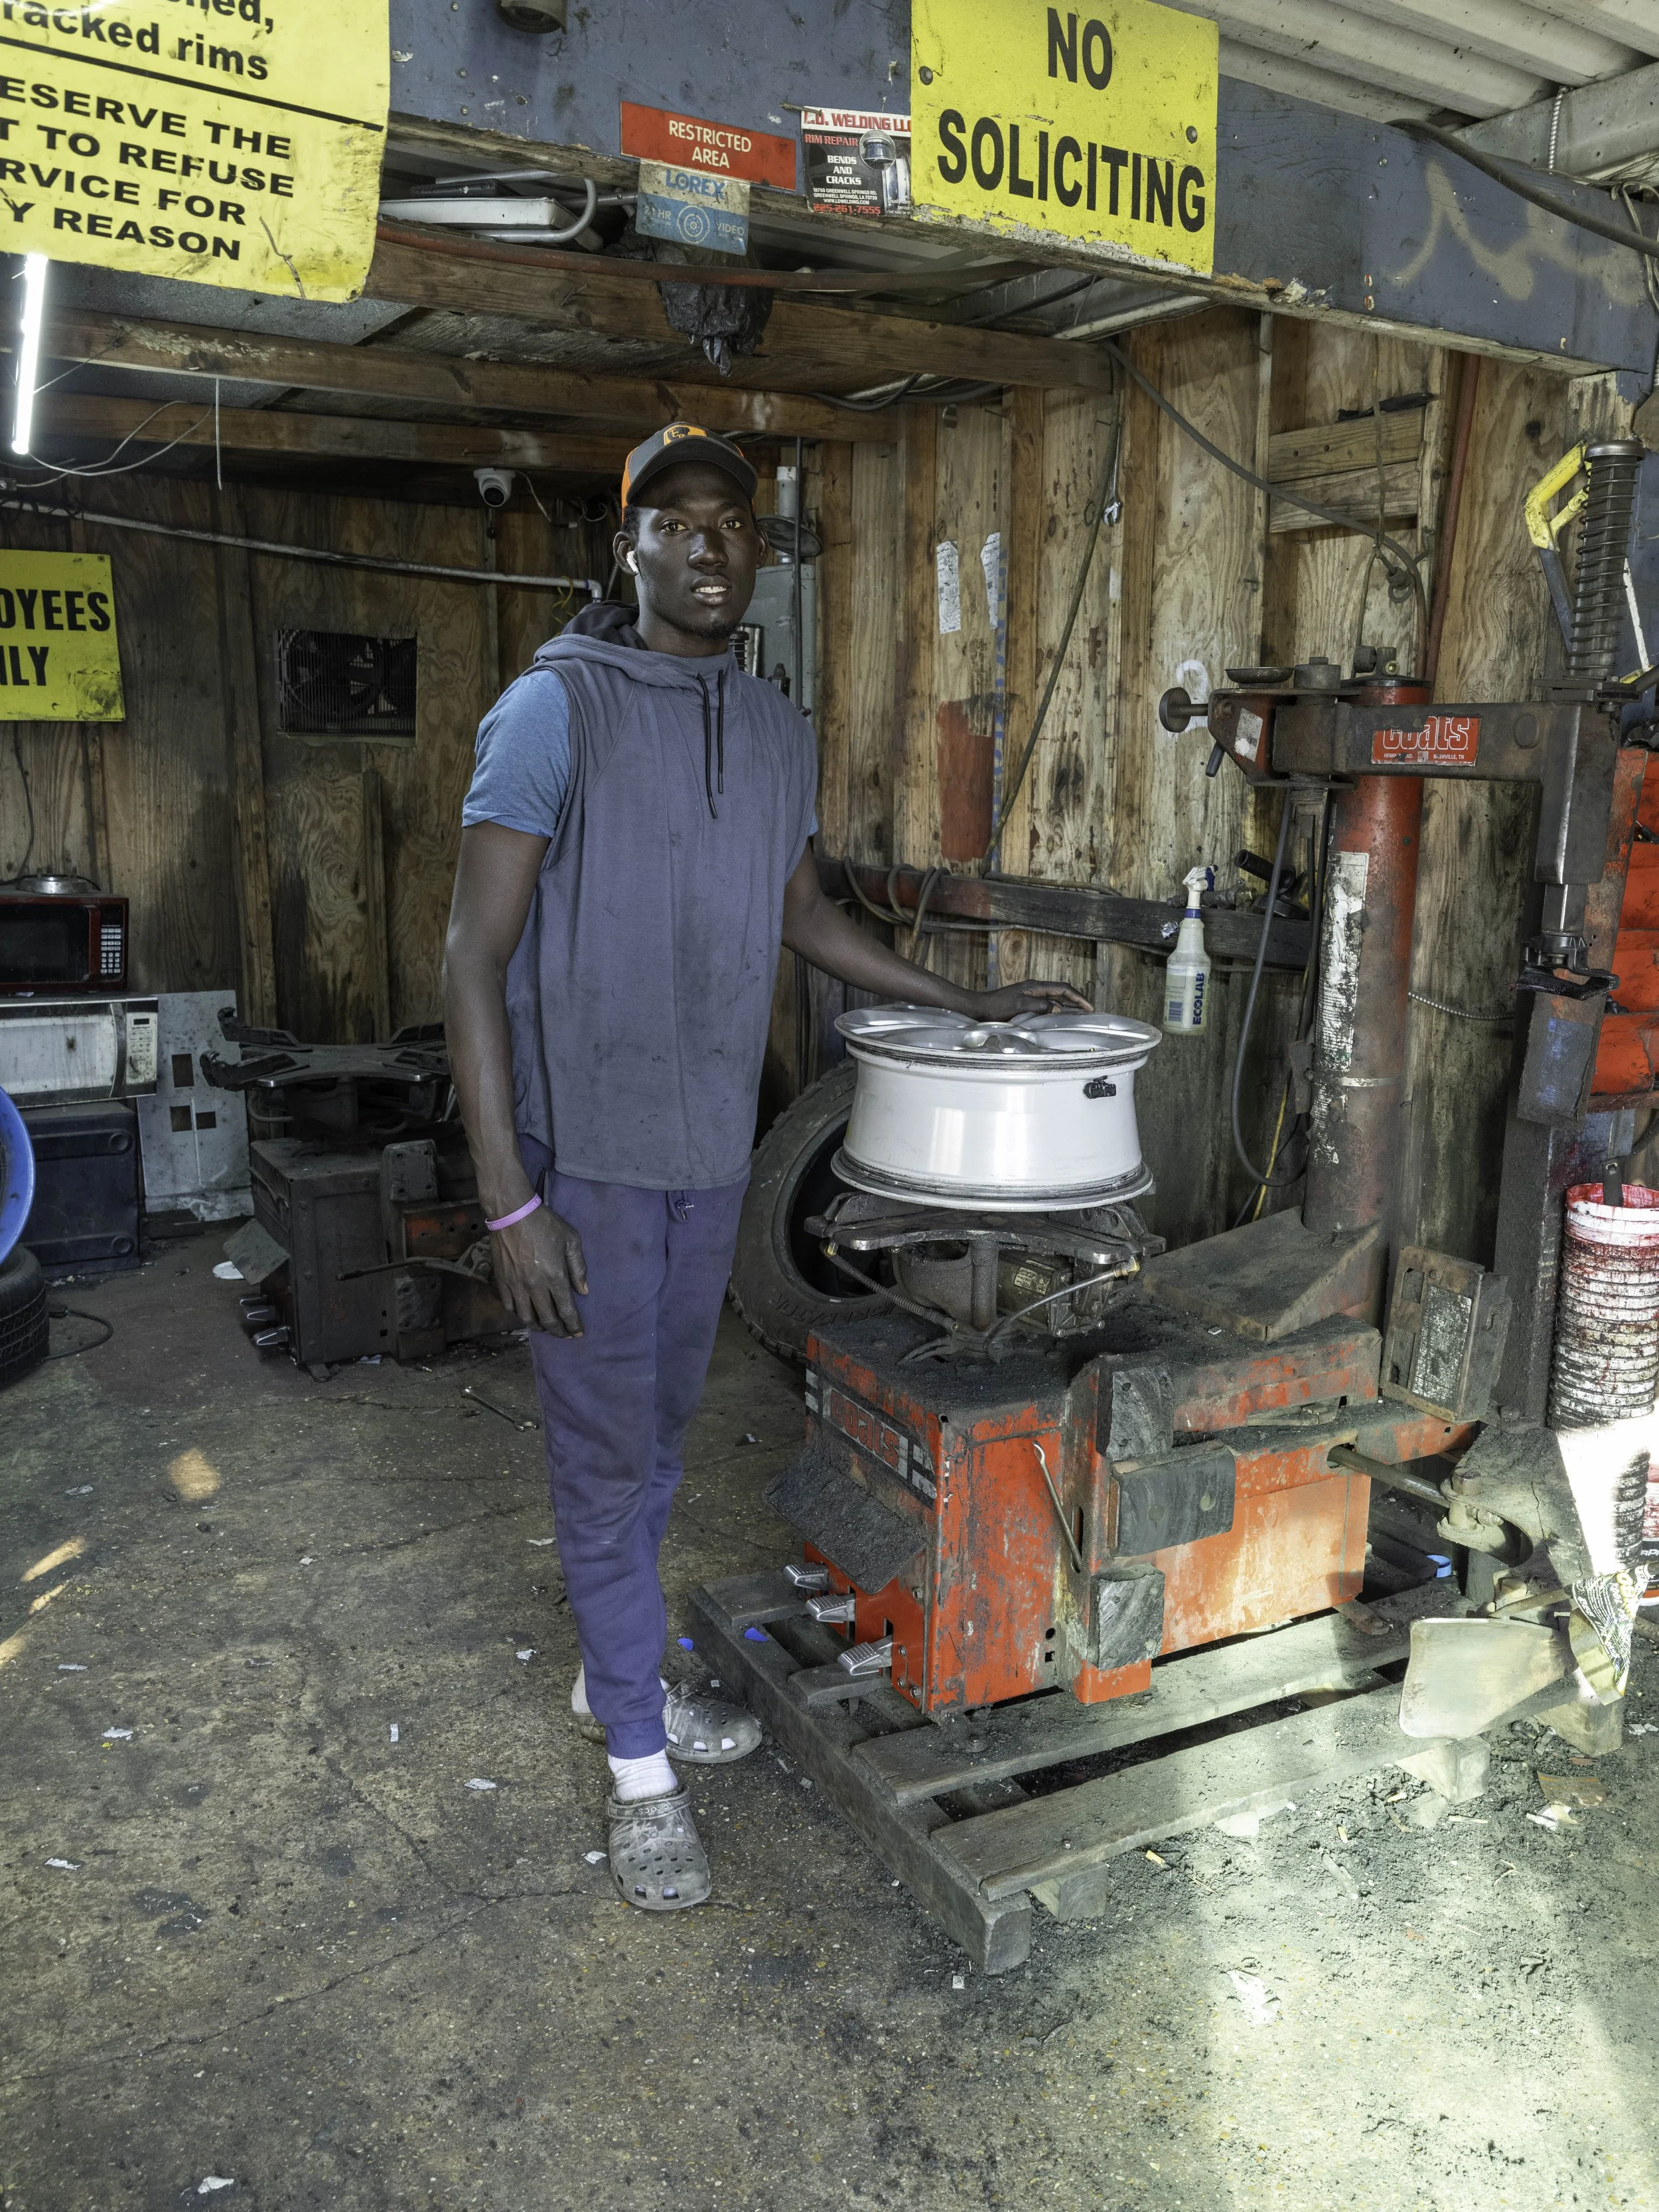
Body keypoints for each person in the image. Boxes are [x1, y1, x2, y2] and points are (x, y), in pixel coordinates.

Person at [443, 421, 1089, 1913]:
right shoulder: (554, 709)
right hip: (583, 1163)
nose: (706, 545)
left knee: (661, 1436)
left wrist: (960, 999)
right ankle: (635, 1765)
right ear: (630, 549)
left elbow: (802, 917)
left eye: (729, 520)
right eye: (672, 521)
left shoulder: (777, 729)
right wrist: (511, 1204)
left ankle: (618, 1666)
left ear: (758, 548)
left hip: (702, 1154)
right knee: (604, 1462)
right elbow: (470, 955)